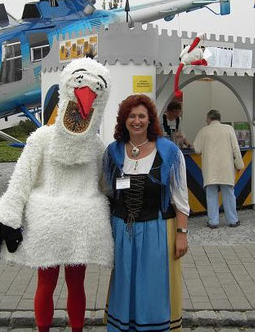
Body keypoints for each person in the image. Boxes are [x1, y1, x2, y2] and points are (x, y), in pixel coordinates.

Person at [0, 58, 113, 332]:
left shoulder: (42, 138)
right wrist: (7, 216)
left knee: (47, 283)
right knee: (74, 284)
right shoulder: (94, 145)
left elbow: (22, 180)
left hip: (50, 225)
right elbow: (105, 187)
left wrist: (8, 215)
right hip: (80, 226)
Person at [103, 94, 189, 332]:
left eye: (142, 116)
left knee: (152, 287)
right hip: (122, 232)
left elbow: (180, 198)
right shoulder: (113, 152)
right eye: (132, 116)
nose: (137, 121)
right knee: (124, 285)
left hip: (156, 230)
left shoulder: (169, 152)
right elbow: (106, 194)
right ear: (124, 120)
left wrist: (181, 233)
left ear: (151, 120)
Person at [193, 109, 244, 228]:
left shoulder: (203, 131)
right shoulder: (229, 129)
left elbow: (197, 149)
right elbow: (236, 148)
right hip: (226, 167)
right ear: (219, 118)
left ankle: (213, 221)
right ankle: (233, 220)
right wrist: (239, 165)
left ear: (209, 118)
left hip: (210, 169)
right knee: (229, 194)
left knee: (211, 195)